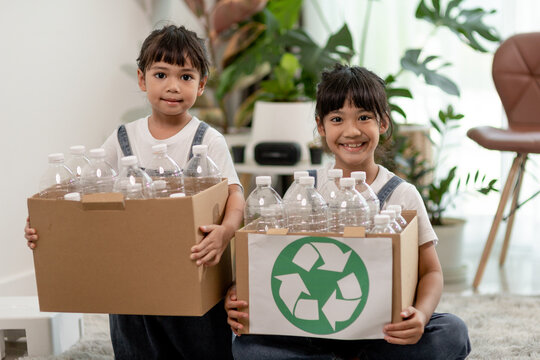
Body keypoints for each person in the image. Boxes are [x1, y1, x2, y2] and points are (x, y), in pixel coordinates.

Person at [25, 24, 244, 360]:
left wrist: (225, 232)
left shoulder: (207, 139)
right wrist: (49, 224)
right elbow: (83, 190)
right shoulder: (123, 138)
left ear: (201, 86)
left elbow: (234, 194)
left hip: (188, 268)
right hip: (133, 272)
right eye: (161, 75)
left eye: (186, 77)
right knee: (134, 341)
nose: (173, 86)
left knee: (199, 344)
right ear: (142, 80)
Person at [225, 64, 471, 360]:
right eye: (337, 119)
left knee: (452, 332)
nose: (351, 131)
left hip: (381, 333)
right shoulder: (305, 189)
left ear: (382, 123)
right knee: (247, 348)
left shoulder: (401, 194)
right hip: (310, 329)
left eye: (364, 117)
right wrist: (241, 294)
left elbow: (431, 271)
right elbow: (274, 258)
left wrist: (419, 315)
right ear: (321, 127)